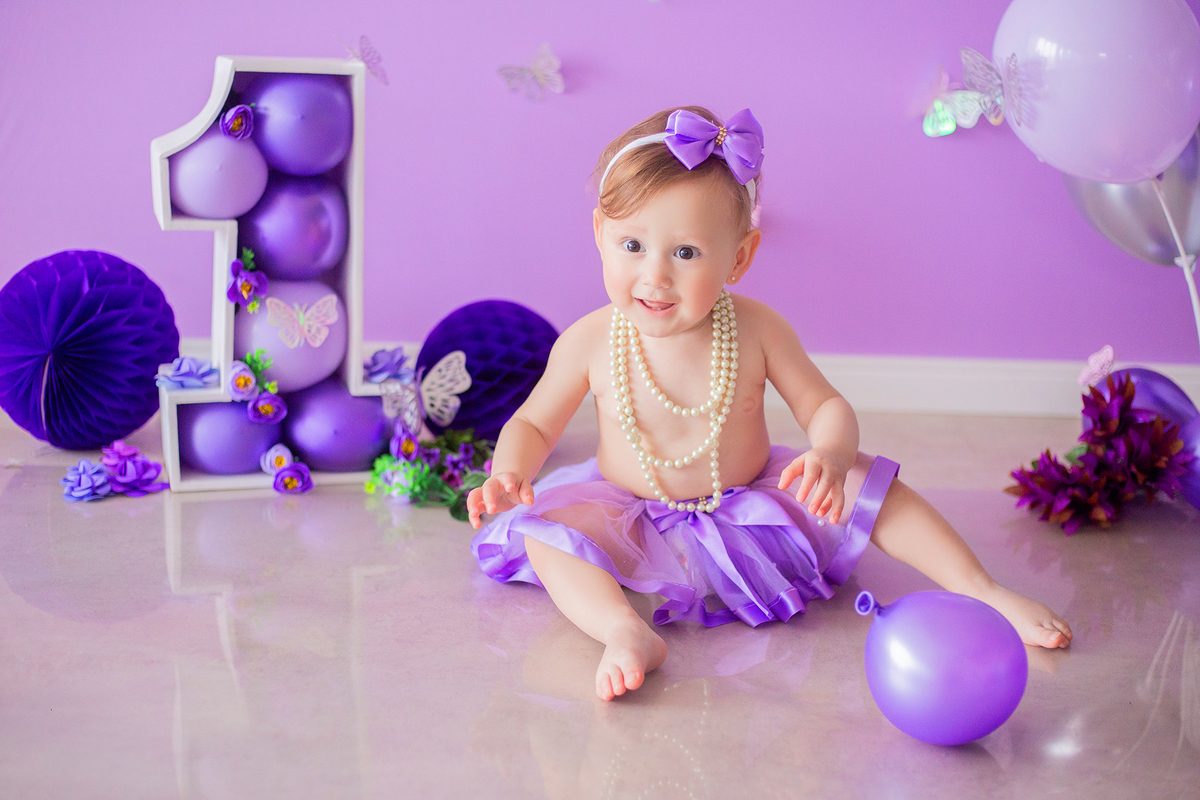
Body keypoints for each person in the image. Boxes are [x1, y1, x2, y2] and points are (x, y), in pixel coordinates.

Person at [468, 106, 1072, 702]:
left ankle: (982, 589)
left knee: (872, 481)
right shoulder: (590, 340)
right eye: (632, 244)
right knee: (545, 530)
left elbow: (824, 404)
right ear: (600, 232)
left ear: (739, 257)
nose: (655, 276)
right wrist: (510, 472)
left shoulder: (757, 329)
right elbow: (534, 420)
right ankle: (623, 630)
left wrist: (831, 455)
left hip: (750, 500)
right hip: (627, 508)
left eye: (685, 253)